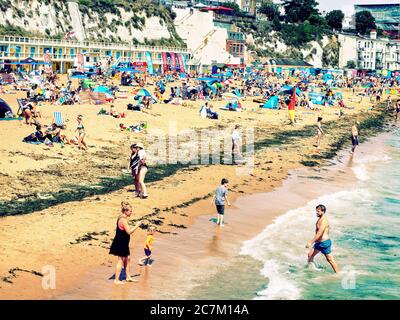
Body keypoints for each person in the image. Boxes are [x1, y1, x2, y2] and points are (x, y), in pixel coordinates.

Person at [109, 201, 142, 285]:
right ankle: (116, 280)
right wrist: (137, 225)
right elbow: (129, 232)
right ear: (125, 211)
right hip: (121, 242)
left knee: (128, 258)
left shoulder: (121, 217)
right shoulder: (123, 220)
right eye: (130, 211)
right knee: (120, 260)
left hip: (123, 242)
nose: (131, 212)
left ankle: (128, 277)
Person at [306, 204, 339, 273]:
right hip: (319, 243)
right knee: (310, 255)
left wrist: (311, 242)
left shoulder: (324, 221)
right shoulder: (320, 219)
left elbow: (319, 233)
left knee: (330, 259)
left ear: (323, 211)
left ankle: (338, 273)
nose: (317, 213)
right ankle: (311, 270)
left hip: (324, 243)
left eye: (318, 211)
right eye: (316, 211)